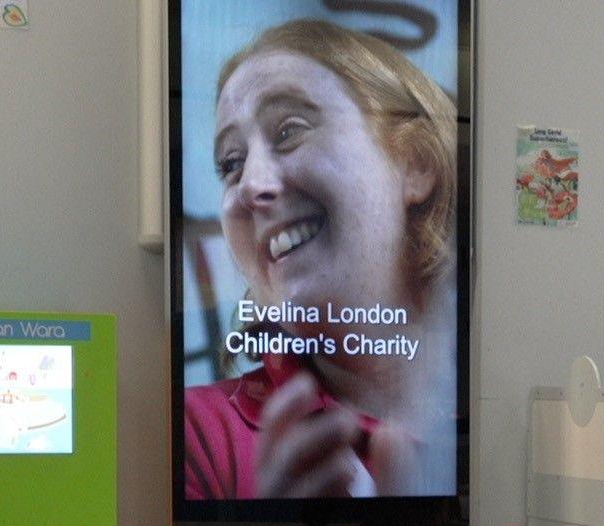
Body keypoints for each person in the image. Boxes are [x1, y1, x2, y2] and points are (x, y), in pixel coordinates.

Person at [183, 18, 458, 500]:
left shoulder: (480, 412)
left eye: (289, 130)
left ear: (415, 162)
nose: (250, 185)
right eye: (231, 163)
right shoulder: (195, 433)